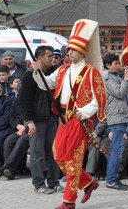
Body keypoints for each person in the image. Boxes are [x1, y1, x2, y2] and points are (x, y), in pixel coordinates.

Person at [36, 19, 107, 209]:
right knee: (58, 154)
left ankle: (69, 201)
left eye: (73, 50)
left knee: (73, 158)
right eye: (68, 50)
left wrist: (84, 112)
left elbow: (99, 99)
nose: (69, 53)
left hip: (80, 119)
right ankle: (88, 182)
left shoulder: (92, 72)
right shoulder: (62, 70)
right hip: (64, 118)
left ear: (82, 52)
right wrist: (37, 73)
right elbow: (46, 84)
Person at [18, 45, 63, 194]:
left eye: (53, 56)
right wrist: (29, 121)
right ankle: (38, 184)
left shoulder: (50, 73)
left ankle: (53, 182)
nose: (52, 59)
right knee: (37, 153)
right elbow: (25, 100)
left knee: (54, 152)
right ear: (39, 58)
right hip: (36, 119)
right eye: (49, 56)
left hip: (51, 118)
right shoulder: (30, 75)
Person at [101, 53, 128, 191]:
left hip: (122, 115)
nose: (119, 65)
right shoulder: (107, 77)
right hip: (116, 115)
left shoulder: (116, 77)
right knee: (116, 149)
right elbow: (119, 93)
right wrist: (126, 79)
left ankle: (113, 178)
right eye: (116, 63)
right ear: (108, 65)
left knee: (117, 148)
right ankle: (111, 180)